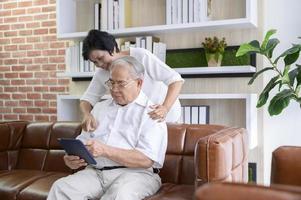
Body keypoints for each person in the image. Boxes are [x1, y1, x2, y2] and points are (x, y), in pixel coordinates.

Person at [47, 56, 167, 200]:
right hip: (95, 173)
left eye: (121, 83)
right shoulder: (99, 108)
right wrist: (72, 159)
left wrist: (105, 150)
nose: (114, 89)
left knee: (119, 196)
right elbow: (83, 142)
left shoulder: (153, 113)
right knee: (61, 188)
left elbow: (146, 160)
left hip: (136, 175)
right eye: (111, 83)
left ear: (139, 83)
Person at [80, 29, 184, 132]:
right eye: (94, 62)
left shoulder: (141, 56)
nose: (99, 64)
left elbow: (175, 80)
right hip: (138, 121)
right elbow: (87, 99)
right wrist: (87, 115)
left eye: (101, 58)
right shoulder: (101, 73)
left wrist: (165, 108)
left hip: (165, 116)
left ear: (111, 49)